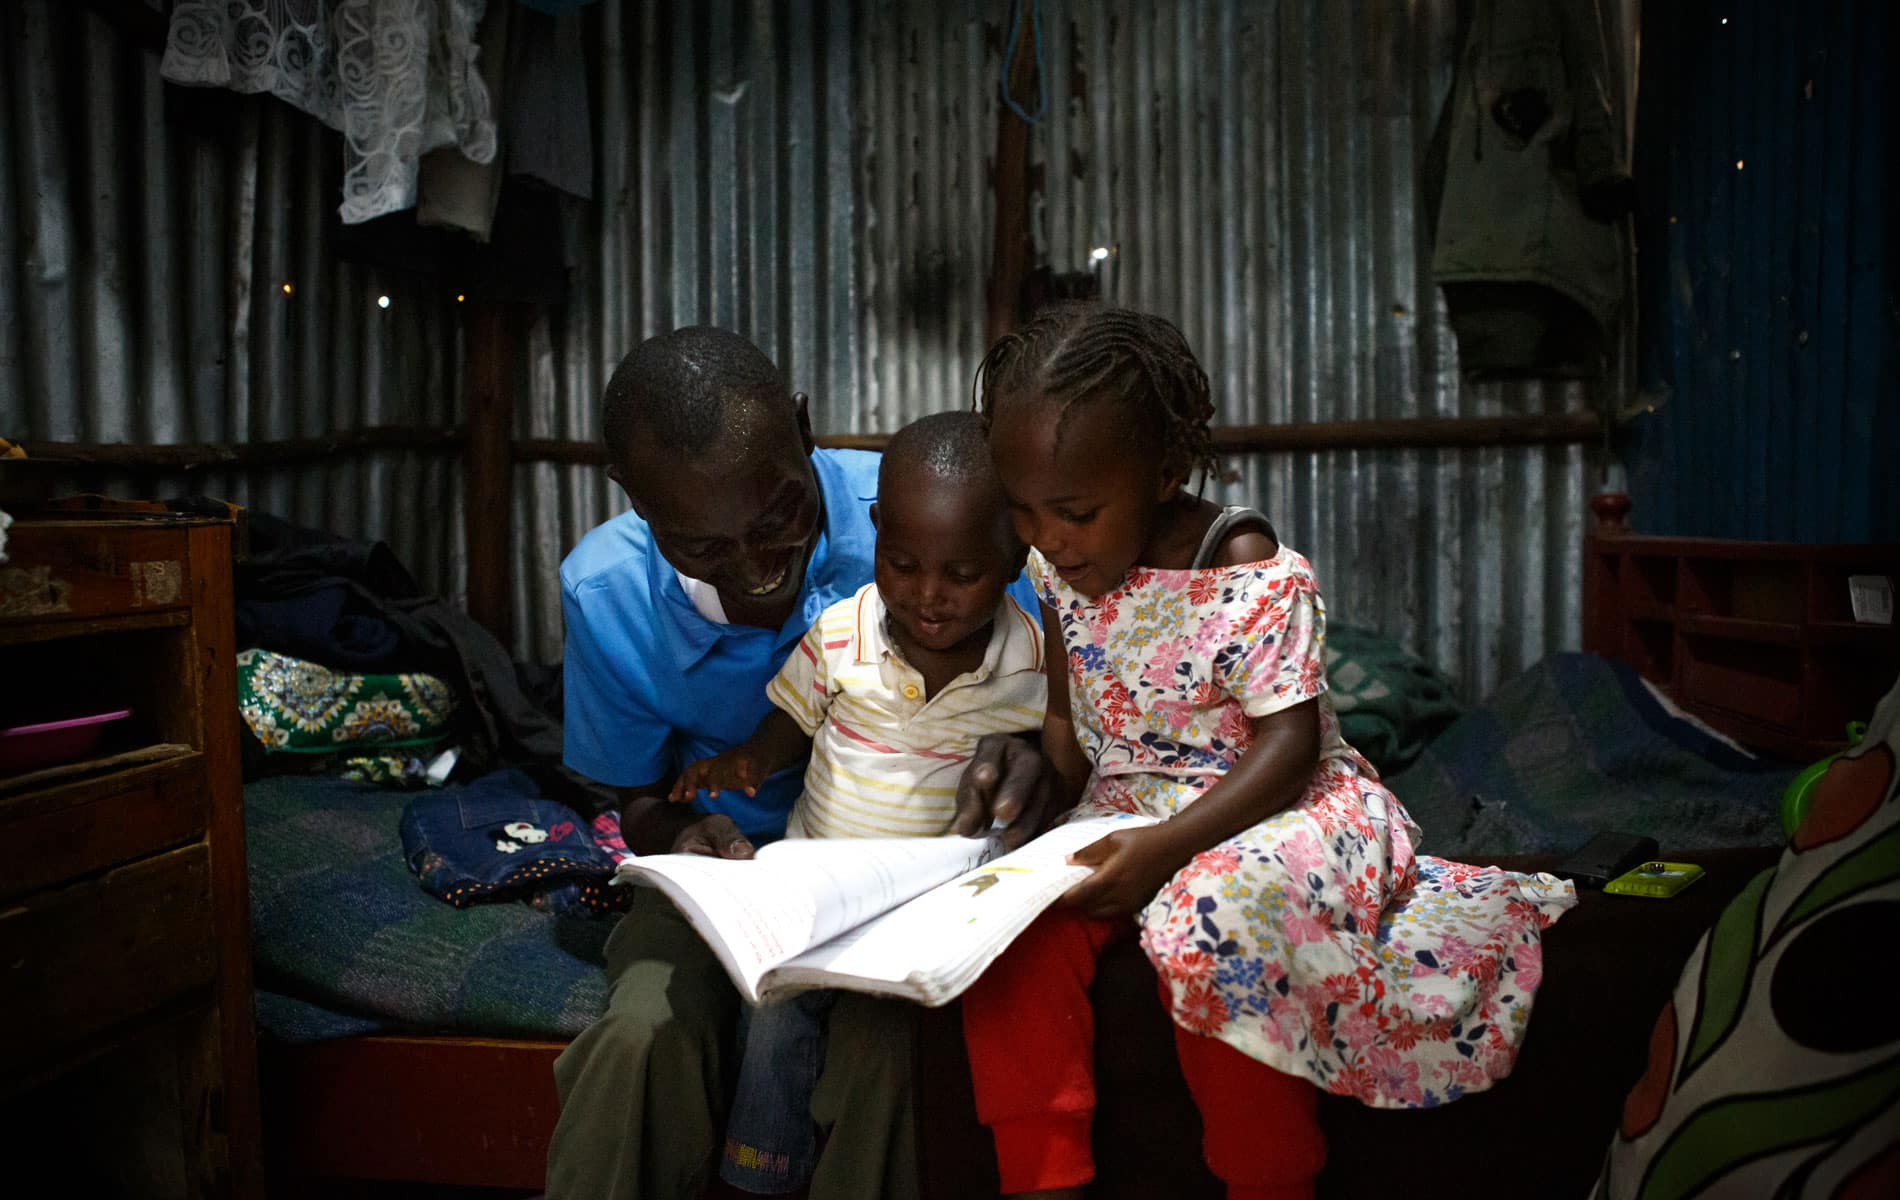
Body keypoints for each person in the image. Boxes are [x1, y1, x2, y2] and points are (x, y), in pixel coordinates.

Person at [950, 303, 1578, 1200]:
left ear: (1164, 471)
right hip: (1133, 800)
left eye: (1076, 512)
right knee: (1007, 935)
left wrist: (1165, 850)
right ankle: (1044, 1176)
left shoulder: (1235, 555)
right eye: (1025, 512)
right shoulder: (1058, 571)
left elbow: (1289, 745)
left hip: (1274, 801)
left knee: (1222, 924)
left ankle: (1267, 1180)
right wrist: (1023, 823)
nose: (1048, 538)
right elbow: (1067, 725)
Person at [547, 328, 994, 1200]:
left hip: (908, 877)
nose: (756, 571)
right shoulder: (607, 597)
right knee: (641, 1036)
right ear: (633, 499)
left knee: (883, 1049)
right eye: (702, 547)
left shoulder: (926, 524)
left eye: (779, 516)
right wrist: (682, 829)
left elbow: (1039, 703)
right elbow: (637, 803)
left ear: (805, 425)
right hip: (731, 884)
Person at [668, 410, 1046, 1194]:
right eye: (902, 563)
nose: (928, 596)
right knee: (774, 1009)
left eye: (962, 573)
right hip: (818, 893)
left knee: (898, 1033)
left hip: (930, 912)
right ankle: (759, 1177)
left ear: (1015, 553)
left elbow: (1045, 764)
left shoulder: (1035, 664)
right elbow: (792, 720)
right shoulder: (841, 633)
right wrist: (746, 759)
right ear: (874, 533)